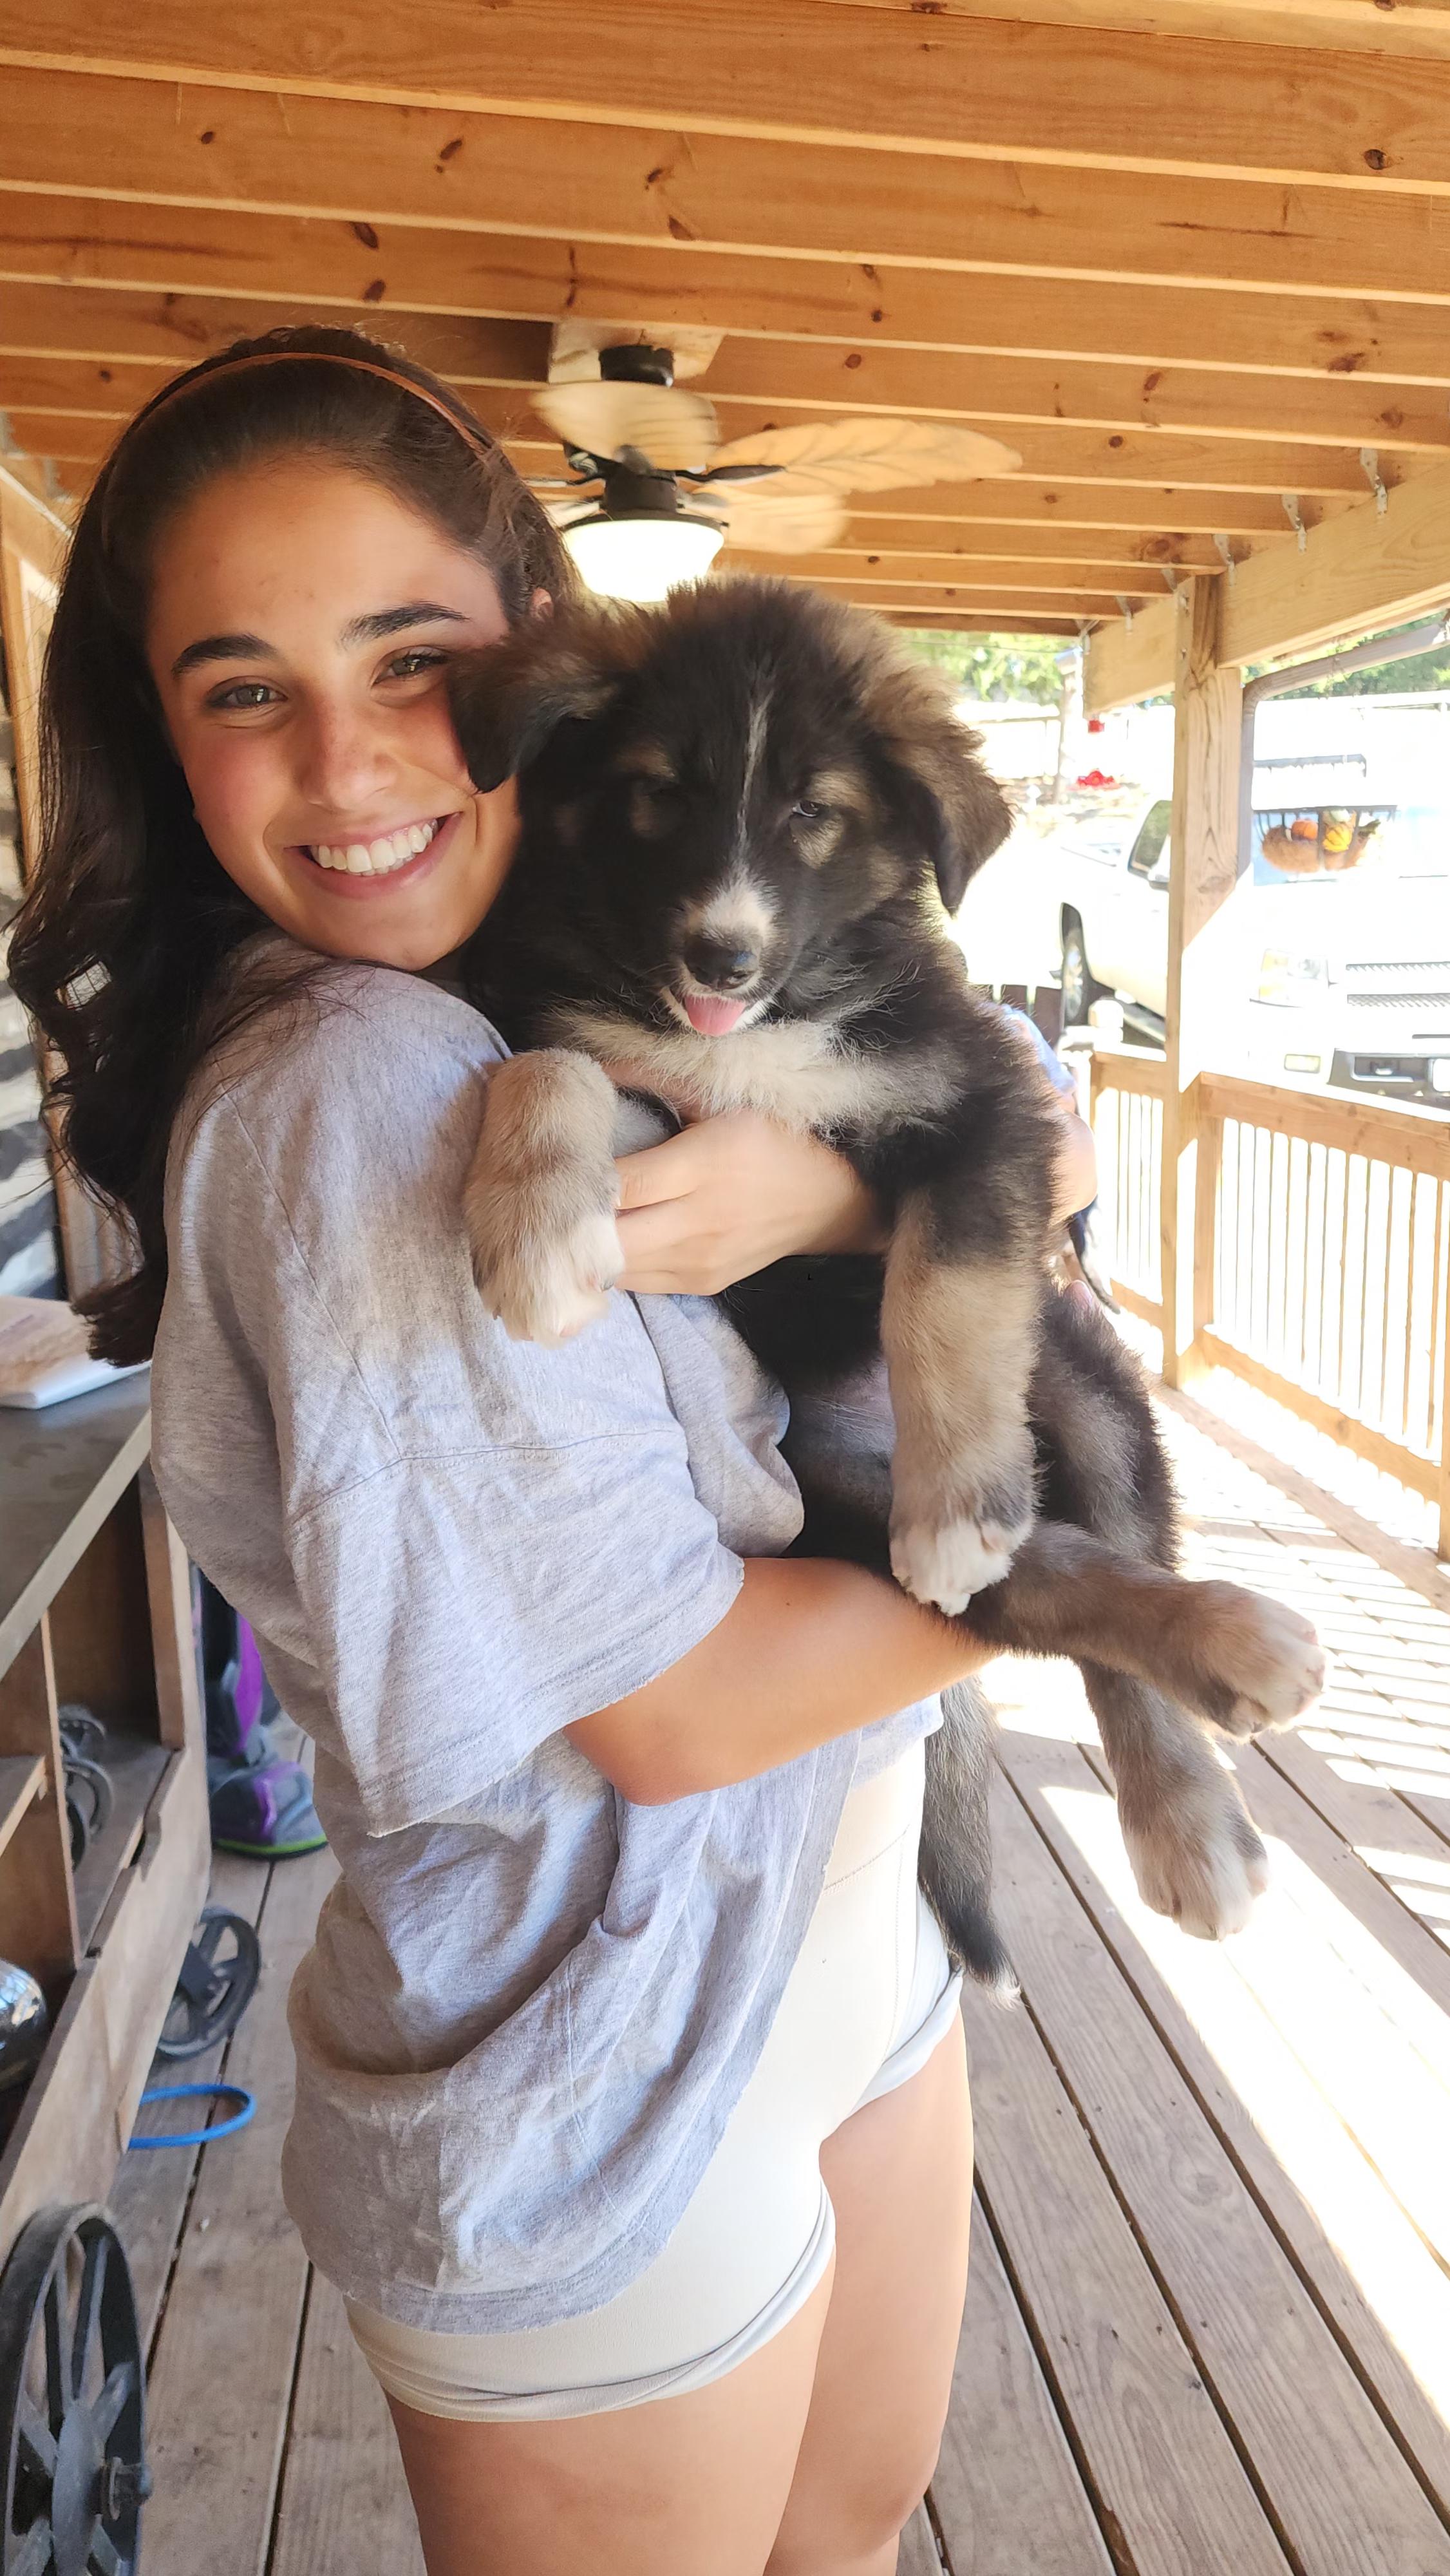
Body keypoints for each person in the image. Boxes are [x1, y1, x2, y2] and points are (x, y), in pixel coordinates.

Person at [11, 325, 1092, 2576]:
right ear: (163, 744)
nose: (350, 759)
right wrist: (1068, 1556)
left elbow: (989, 1099)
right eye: (240, 689)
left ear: (543, 678)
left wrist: (862, 1185)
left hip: (824, 1929)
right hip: (601, 2072)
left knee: (857, 2525)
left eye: (412, 660)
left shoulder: (562, 972)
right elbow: (680, 1711)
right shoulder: (361, 1095)